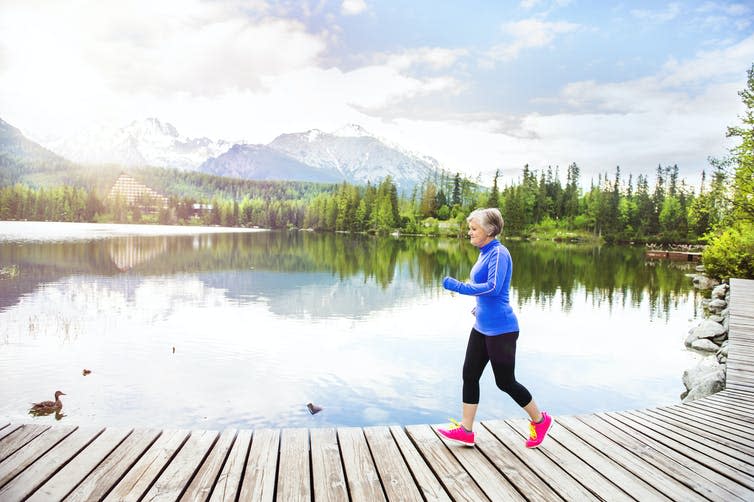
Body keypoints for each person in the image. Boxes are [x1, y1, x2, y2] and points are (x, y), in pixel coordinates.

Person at [438, 207, 552, 448]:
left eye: (473, 228)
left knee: (506, 382)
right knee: (469, 375)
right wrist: (479, 307)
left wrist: (459, 287)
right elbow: (486, 293)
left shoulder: (499, 253)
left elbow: (493, 287)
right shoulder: (484, 251)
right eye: (470, 228)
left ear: (489, 231)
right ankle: (466, 430)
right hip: (482, 326)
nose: (469, 232)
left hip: (502, 330)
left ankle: (540, 420)